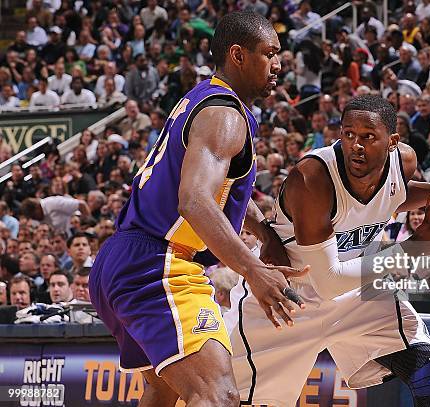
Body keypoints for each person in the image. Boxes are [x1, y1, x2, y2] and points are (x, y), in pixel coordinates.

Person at [89, 11, 307, 407]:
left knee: (164, 390)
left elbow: (214, 191)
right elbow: (193, 200)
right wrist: (253, 269)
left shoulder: (202, 98)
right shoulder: (225, 115)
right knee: (218, 395)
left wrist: (263, 231)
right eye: (269, 53)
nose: (278, 63)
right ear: (238, 55)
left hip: (123, 257)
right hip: (158, 265)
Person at [226, 95, 430, 407]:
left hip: (357, 290)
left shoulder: (403, 163)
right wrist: (415, 247)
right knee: (237, 400)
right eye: (348, 134)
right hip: (286, 298)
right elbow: (328, 281)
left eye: (367, 137)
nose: (356, 145)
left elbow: (391, 196)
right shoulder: (312, 178)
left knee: (427, 369)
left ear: (392, 142)